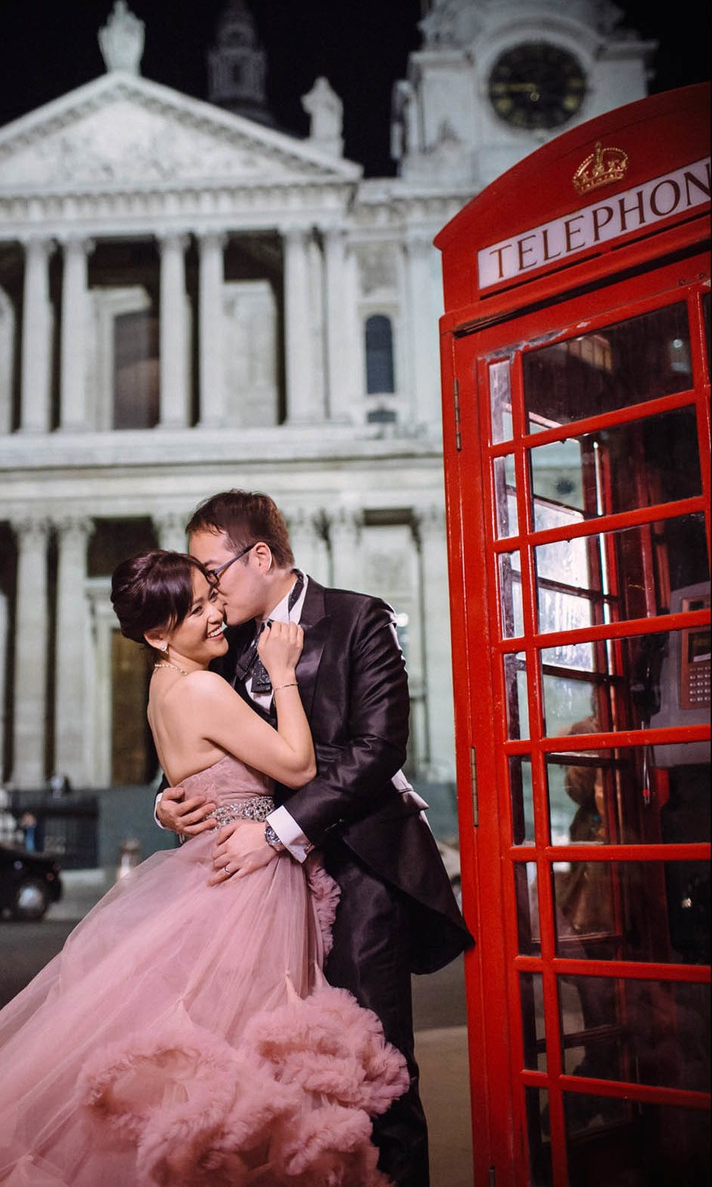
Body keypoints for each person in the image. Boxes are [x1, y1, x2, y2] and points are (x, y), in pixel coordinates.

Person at [0, 551, 408, 1187]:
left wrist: (167, 804)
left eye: (212, 598)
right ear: (157, 633)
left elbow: (199, 774)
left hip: (218, 867)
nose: (218, 618)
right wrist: (283, 674)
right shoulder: (204, 686)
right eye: (199, 609)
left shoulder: (164, 686)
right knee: (238, 1055)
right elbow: (298, 768)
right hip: (247, 884)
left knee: (212, 1054)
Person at [157, 490, 475, 1187]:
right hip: (262, 896)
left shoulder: (360, 618)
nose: (207, 592)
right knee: (281, 1079)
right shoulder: (227, 639)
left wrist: (274, 831)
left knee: (372, 1071)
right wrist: (167, 804)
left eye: (214, 572)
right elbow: (201, 743)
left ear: (261, 556)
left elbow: (378, 749)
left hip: (360, 869)